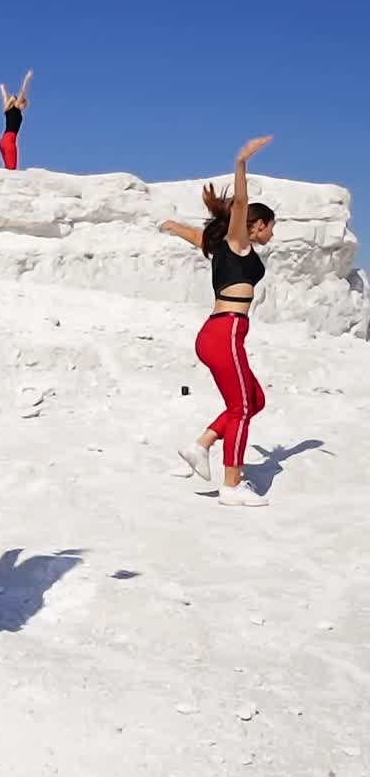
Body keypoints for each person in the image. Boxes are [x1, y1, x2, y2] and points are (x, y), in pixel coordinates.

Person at [160, 136, 276, 506]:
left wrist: (173, 226)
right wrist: (241, 163)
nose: (272, 233)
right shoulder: (238, 242)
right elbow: (240, 203)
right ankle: (231, 485)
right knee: (242, 407)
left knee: (253, 399)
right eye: (271, 226)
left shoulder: (221, 246)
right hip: (224, 330)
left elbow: (197, 236)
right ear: (256, 226)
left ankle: (201, 445)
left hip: (223, 333)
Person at [0, 70, 33, 170]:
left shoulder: (7, 109)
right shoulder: (16, 108)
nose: (24, 107)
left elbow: (5, 98)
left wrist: (2, 89)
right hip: (9, 140)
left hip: (2, 141)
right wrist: (27, 78)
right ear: (19, 102)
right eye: (24, 105)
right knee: (12, 171)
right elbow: (23, 91)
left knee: (8, 169)